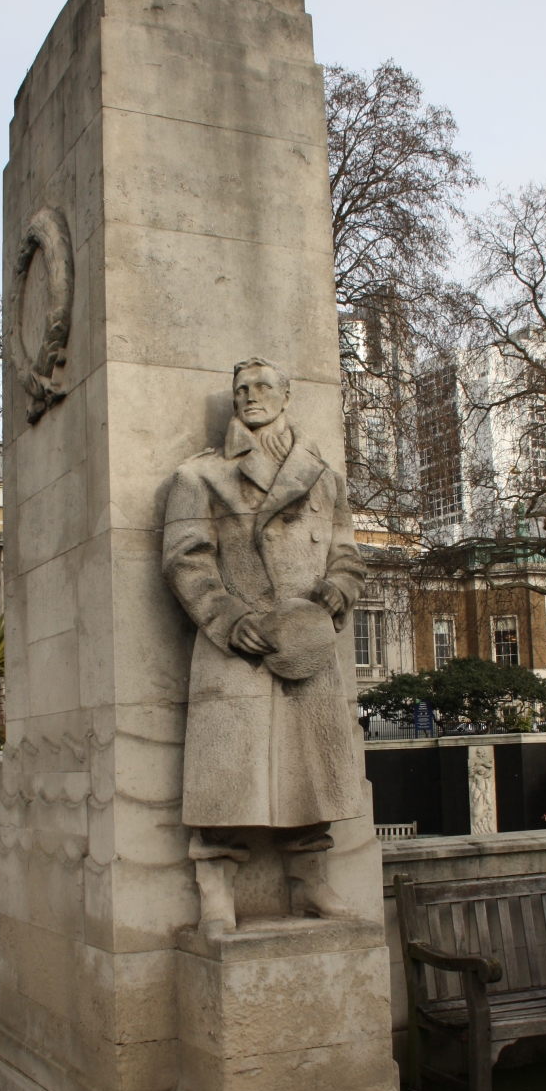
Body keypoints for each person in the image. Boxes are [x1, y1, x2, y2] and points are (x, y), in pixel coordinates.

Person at [162, 357, 366, 929]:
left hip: (306, 645)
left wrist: (337, 590)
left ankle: (310, 882)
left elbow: (348, 555)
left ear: (286, 393)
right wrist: (226, 618)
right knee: (224, 778)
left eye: (262, 387)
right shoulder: (199, 476)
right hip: (240, 645)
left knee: (314, 772)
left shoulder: (324, 477)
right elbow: (186, 560)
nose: (250, 397)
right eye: (240, 390)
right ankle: (216, 891)